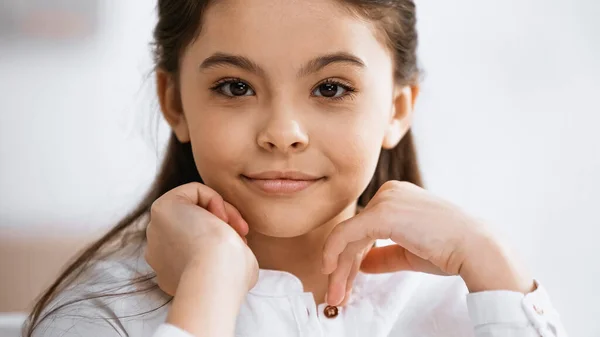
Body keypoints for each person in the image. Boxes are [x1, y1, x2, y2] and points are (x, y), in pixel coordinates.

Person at [24, 0, 568, 336]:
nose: (283, 131)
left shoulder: (476, 305)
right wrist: (209, 286)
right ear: (175, 102)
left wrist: (494, 263)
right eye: (235, 87)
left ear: (397, 108)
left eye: (331, 88)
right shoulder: (98, 316)